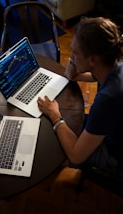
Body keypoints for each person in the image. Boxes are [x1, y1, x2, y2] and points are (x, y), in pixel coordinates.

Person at [37, 17, 123, 176]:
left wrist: (55, 116)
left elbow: (76, 156)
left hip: (117, 157)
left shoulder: (108, 98)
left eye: (75, 53)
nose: (72, 55)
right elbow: (71, 74)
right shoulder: (112, 66)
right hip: (114, 129)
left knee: (59, 149)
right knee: (69, 124)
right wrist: (75, 51)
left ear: (92, 59)